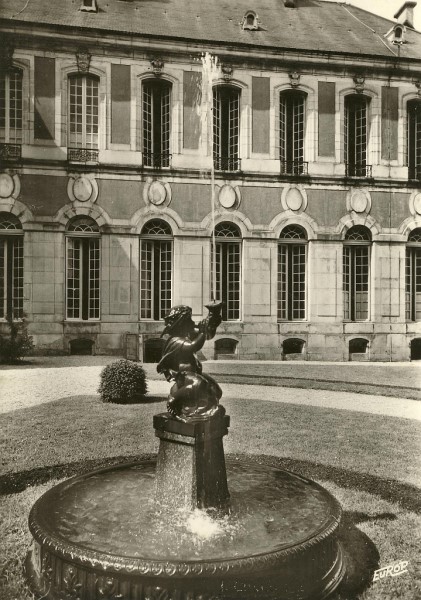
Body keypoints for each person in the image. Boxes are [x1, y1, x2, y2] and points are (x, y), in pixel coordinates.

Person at [157, 304, 224, 421]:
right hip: (183, 376)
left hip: (193, 373)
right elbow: (193, 346)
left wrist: (213, 318)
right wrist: (202, 332)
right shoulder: (175, 340)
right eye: (189, 320)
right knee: (199, 384)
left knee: (216, 390)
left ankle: (205, 411)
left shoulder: (187, 334)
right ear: (181, 323)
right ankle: (174, 398)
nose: (193, 322)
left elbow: (208, 335)